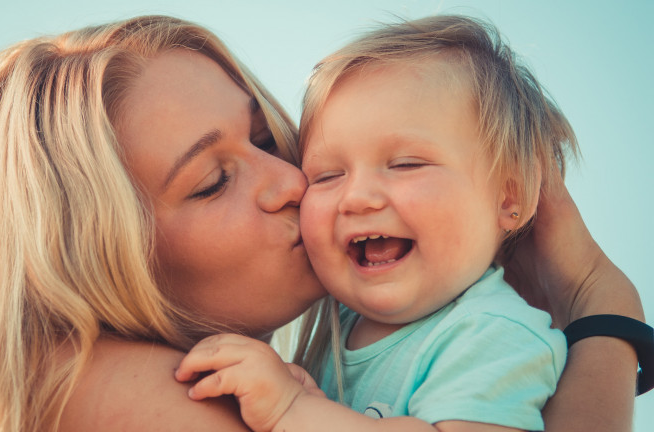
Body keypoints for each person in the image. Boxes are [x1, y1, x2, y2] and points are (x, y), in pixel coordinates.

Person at [0, 14, 644, 432]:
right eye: (215, 180)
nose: (293, 182)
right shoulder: (120, 393)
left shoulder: (361, 348)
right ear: (99, 257)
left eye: (267, 140)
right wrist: (604, 308)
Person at [175, 16, 646, 432]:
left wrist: (292, 408)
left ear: (510, 197)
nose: (356, 197)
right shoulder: (336, 324)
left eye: (404, 164)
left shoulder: (494, 332)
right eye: (327, 175)